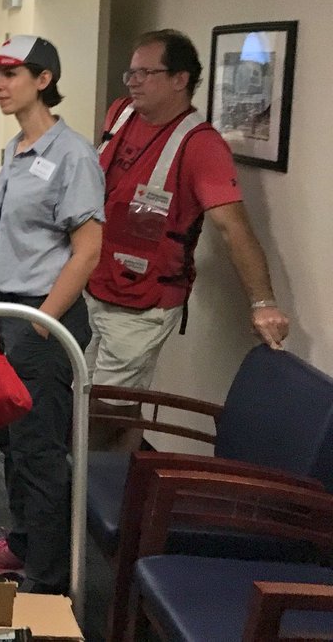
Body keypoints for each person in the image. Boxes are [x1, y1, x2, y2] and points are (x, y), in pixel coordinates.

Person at [86, 29, 290, 451]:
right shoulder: (119, 114)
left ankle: (97, 504)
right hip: (91, 282)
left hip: (142, 301)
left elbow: (234, 229)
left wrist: (262, 303)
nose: (132, 81)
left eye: (146, 72)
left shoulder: (202, 146)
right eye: (131, 72)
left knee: (106, 413)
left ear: (181, 79)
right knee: (83, 396)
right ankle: (106, 491)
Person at [0, 35, 103, 595]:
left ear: (44, 80)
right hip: (6, 311)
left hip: (44, 316)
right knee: (12, 443)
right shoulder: (16, 149)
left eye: (11, 73)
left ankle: (48, 581)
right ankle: (22, 547)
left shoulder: (72, 154)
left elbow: (87, 249)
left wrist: (44, 320)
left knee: (40, 450)